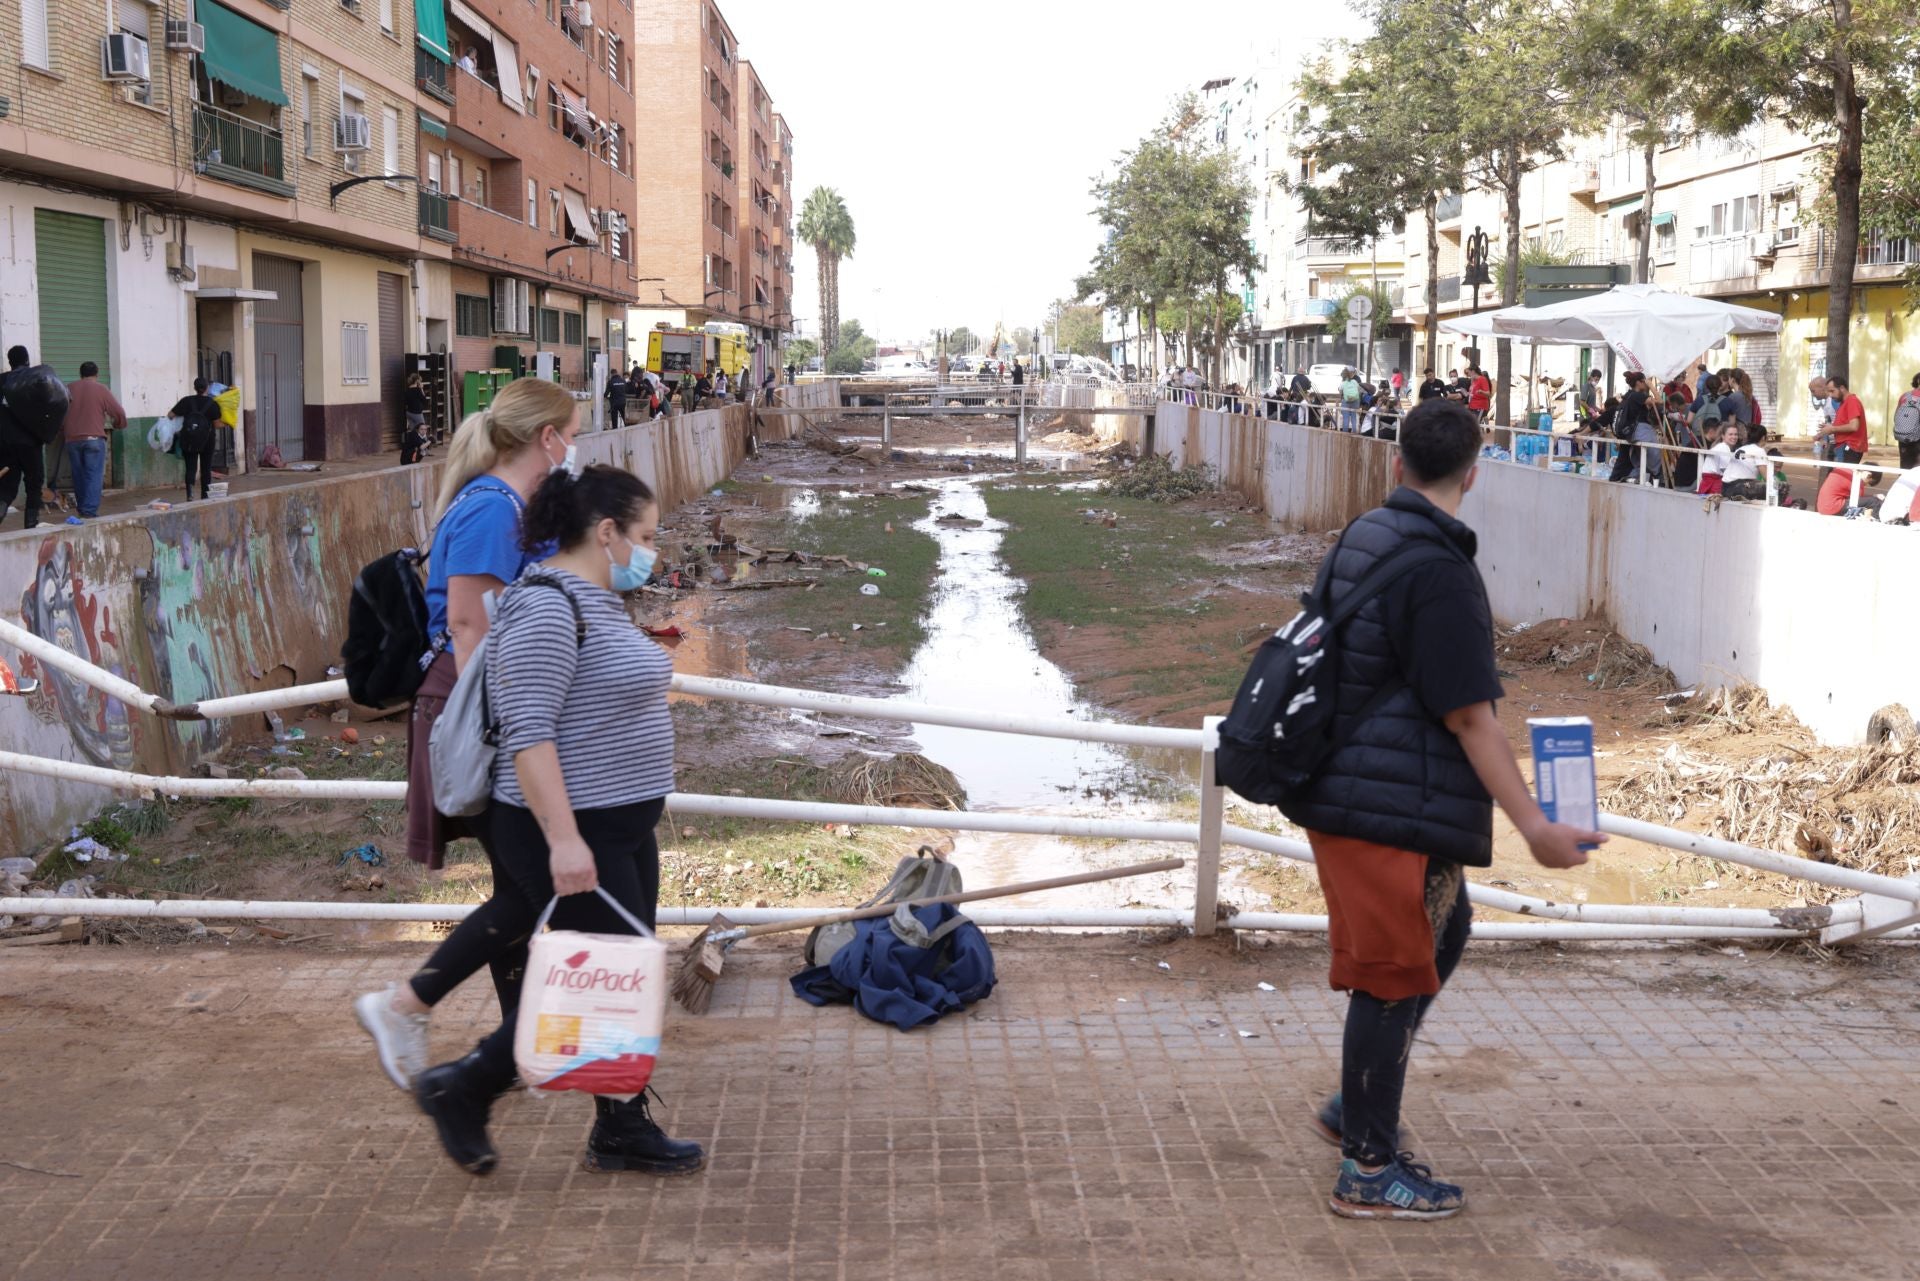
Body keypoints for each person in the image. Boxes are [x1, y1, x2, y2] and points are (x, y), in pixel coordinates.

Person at [1277, 397, 1600, 1221]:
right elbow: (1470, 716)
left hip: (1350, 787)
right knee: (1391, 977)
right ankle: (1368, 1166)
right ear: (1473, 471)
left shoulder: (1365, 536)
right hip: (1381, 805)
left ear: (1396, 463)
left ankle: (1358, 1107)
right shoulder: (1442, 570)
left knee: (1442, 934)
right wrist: (1535, 825)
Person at [408, 463, 703, 1179]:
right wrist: (566, 839)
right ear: (606, 533)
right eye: (645, 536)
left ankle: (620, 1126)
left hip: (618, 826)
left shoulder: (593, 600)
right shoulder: (546, 607)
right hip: (573, 829)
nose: (650, 551)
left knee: (619, 976)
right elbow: (529, 733)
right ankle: (464, 1084)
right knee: (597, 981)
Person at [353, 377, 581, 1091]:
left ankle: (508, 1055)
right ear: (547, 438)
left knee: (521, 885)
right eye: (570, 432)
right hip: (478, 713)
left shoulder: (507, 506)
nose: (573, 446)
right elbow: (468, 628)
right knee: (534, 887)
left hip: (487, 711)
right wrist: (523, 728)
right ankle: (408, 1004)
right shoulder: (490, 511)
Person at [59, 361, 126, 520]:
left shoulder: (67, 389)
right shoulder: (101, 389)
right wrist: (118, 424)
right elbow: (119, 412)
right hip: (94, 439)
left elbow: (58, 412)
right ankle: (89, 512)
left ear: (80, 374)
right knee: (93, 475)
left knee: (79, 475)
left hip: (72, 441)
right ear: (96, 374)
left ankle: (82, 509)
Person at [0, 346, 49, 528]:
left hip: (4, 443)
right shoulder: (36, 379)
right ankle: (31, 525)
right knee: (34, 484)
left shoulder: (1, 380)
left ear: (10, 361)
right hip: (30, 442)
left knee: (6, 487)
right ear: (27, 360)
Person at [167, 377, 224, 502]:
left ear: (194, 388)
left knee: (191, 467)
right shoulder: (212, 403)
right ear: (207, 389)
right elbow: (217, 425)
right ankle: (205, 495)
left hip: (189, 439)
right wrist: (227, 423)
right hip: (207, 441)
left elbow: (170, 415)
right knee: (206, 468)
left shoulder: (186, 401)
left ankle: (190, 494)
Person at [1607, 372, 1660, 484]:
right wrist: (1651, 386)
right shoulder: (1637, 396)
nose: (1645, 384)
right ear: (1638, 383)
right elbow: (1660, 401)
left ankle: (1632, 478)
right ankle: (1656, 480)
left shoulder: (1628, 396)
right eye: (1644, 381)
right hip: (1641, 432)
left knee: (1639, 460)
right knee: (1654, 459)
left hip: (1632, 434)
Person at [1822, 375, 1869, 465]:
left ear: (1842, 388)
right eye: (1829, 392)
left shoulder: (1852, 401)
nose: (1830, 395)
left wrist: (1832, 429)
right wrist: (1829, 428)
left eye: (1832, 391)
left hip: (1850, 446)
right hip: (1844, 446)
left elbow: (1854, 426)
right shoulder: (1844, 402)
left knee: (1843, 476)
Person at [1697, 420, 1742, 495]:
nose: (1734, 437)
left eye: (1736, 434)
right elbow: (1726, 470)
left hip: (1709, 482)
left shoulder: (1721, 446)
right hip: (1713, 484)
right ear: (1723, 436)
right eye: (1730, 434)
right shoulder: (1724, 447)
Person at [401, 372, 430, 465]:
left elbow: (405, 402)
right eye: (420, 381)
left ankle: (414, 450)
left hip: (409, 413)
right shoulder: (417, 390)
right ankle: (425, 450)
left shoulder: (407, 391)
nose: (421, 382)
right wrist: (421, 388)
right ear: (417, 381)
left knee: (414, 432)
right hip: (417, 413)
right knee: (423, 430)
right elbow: (424, 400)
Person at [1895, 374, 1920, 471]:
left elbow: (1896, 416)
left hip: (1903, 437)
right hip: (1918, 439)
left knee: (1905, 467)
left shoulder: (1905, 396)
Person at [603, 365, 628, 430]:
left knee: (614, 418)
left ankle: (615, 430)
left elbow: (606, 393)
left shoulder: (610, 382)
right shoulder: (623, 381)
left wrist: (604, 396)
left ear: (611, 374)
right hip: (623, 402)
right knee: (624, 416)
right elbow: (626, 390)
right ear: (617, 373)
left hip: (614, 403)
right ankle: (628, 428)